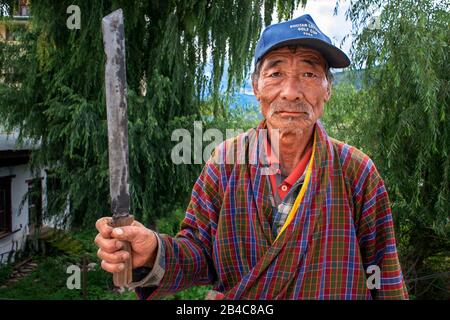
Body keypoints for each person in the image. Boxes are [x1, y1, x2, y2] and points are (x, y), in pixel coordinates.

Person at [95, 14, 409, 300]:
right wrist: (153, 251)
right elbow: (199, 254)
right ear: (256, 86)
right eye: (275, 73)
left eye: (310, 74)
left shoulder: (357, 172)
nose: (290, 92)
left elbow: (385, 276)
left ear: (327, 89)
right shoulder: (225, 162)